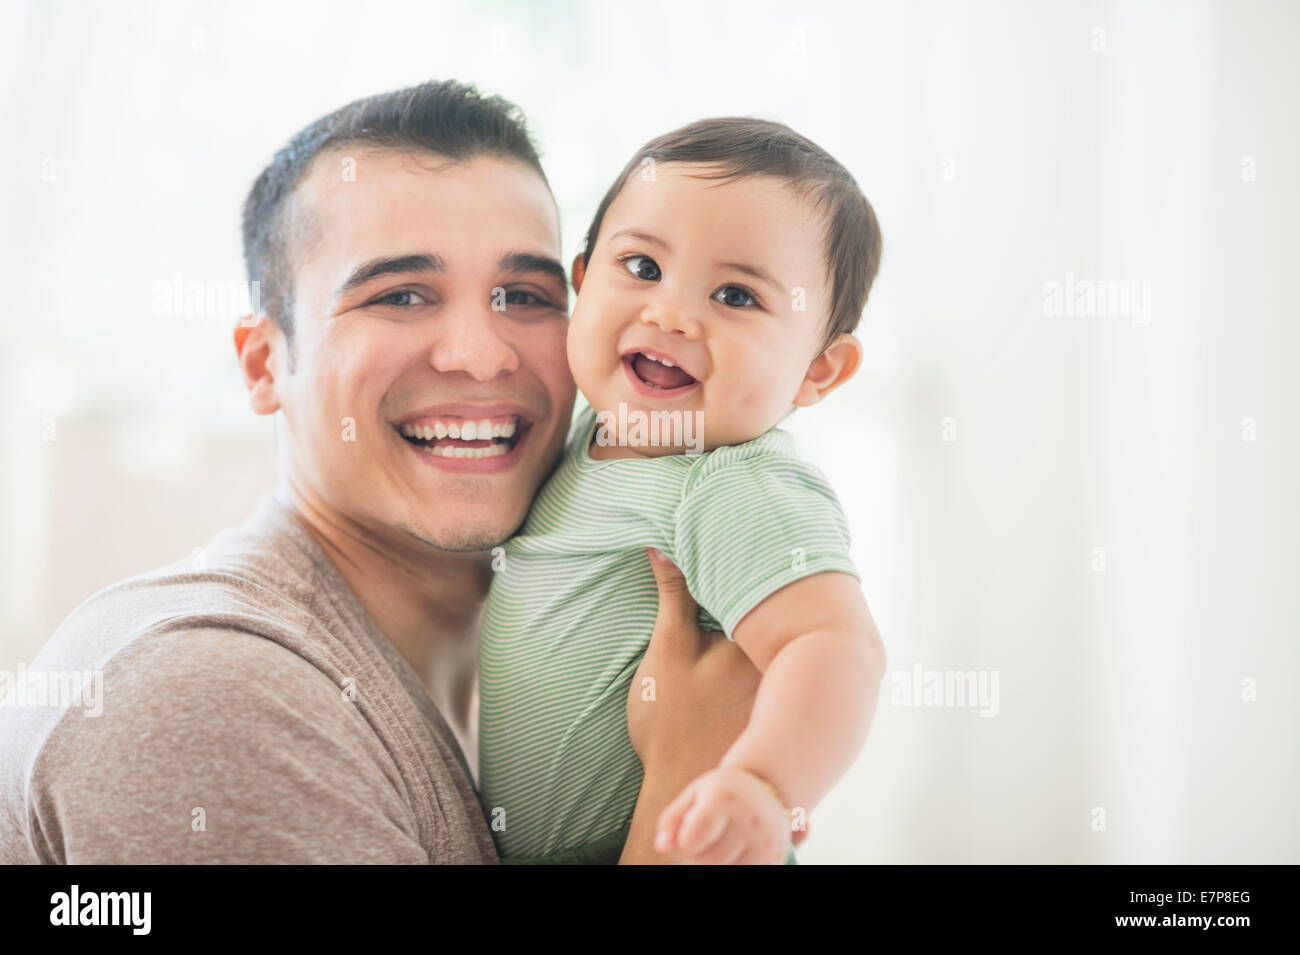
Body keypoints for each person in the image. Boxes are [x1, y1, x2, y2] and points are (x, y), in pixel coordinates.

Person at [0, 80, 759, 865]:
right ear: (265, 365)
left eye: (525, 295)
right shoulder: (209, 690)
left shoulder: (583, 667)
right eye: (399, 294)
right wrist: (686, 788)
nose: (480, 353)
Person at [477, 118, 888, 865]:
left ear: (818, 370)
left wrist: (763, 784)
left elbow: (838, 646)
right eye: (641, 266)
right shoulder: (581, 439)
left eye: (735, 294)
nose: (670, 313)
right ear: (580, 282)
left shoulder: (733, 482)